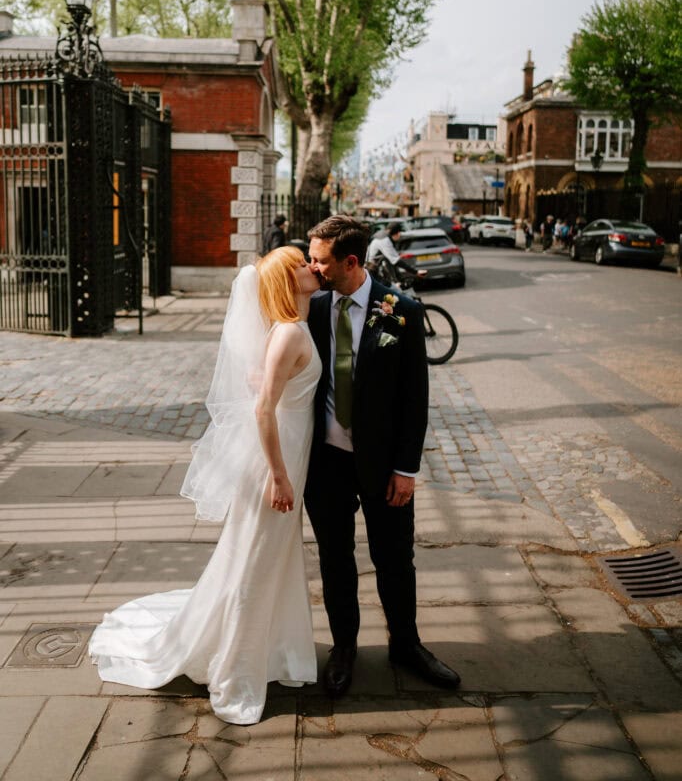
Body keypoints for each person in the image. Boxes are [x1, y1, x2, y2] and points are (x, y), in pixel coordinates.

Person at [89, 247, 321, 725]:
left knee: (267, 556)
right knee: (254, 560)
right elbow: (262, 410)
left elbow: (268, 385)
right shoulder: (290, 334)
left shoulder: (294, 325)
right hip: (275, 463)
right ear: (285, 282)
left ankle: (272, 648)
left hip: (290, 453)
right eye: (301, 263)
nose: (311, 267)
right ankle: (236, 671)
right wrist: (277, 475)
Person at [305, 214, 461, 699]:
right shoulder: (308, 308)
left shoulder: (404, 312)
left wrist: (406, 469)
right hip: (326, 461)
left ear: (350, 262)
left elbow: (416, 398)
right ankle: (345, 649)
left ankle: (406, 645)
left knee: (395, 557)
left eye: (320, 260)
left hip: (384, 465)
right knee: (335, 559)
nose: (311, 268)